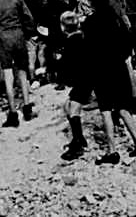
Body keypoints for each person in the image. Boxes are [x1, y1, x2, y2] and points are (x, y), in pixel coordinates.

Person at [82, 0, 136, 165]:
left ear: (92, 2)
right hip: (119, 66)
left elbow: (88, 49)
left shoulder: (90, 23)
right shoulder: (117, 19)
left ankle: (112, 150)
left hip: (101, 68)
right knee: (123, 107)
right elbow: (128, 44)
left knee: (105, 109)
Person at [59, 11, 90, 161]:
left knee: (73, 109)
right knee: (68, 106)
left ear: (63, 27)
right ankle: (79, 138)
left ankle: (77, 144)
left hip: (82, 79)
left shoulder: (69, 42)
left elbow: (67, 65)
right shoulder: (83, 38)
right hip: (86, 77)